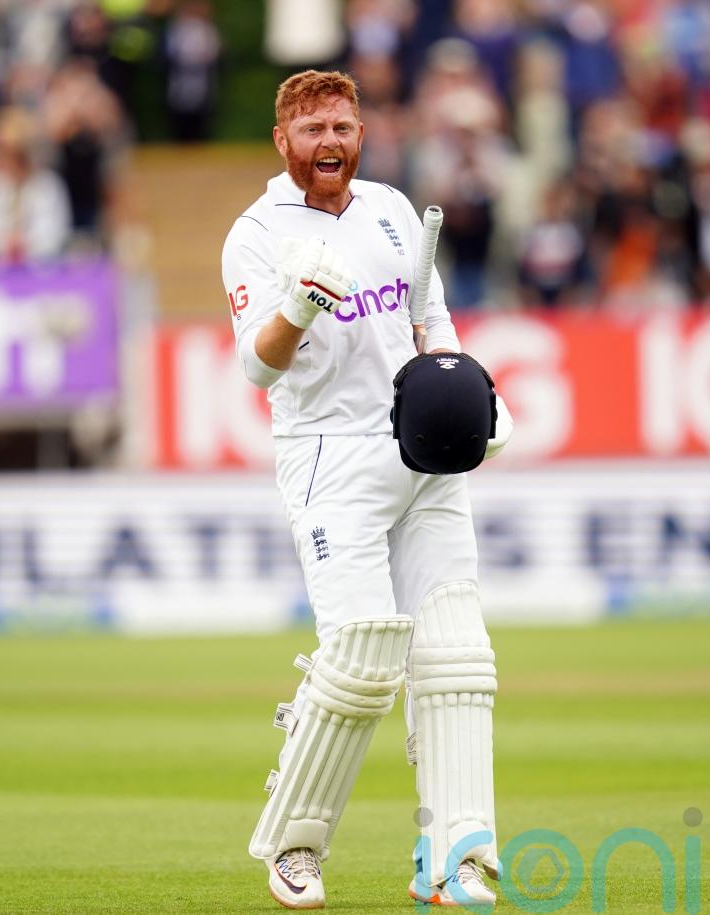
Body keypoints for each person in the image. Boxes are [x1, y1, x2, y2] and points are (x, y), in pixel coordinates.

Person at [220, 69, 513, 910]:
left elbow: (432, 320)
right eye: (312, 129)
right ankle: (294, 846)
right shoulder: (256, 233)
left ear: (360, 134)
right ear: (283, 141)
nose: (330, 142)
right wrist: (300, 306)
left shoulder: (390, 208)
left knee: (457, 658)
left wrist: (470, 395)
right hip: (329, 455)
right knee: (359, 658)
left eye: (342, 127)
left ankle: (455, 855)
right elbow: (257, 367)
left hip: (420, 445)